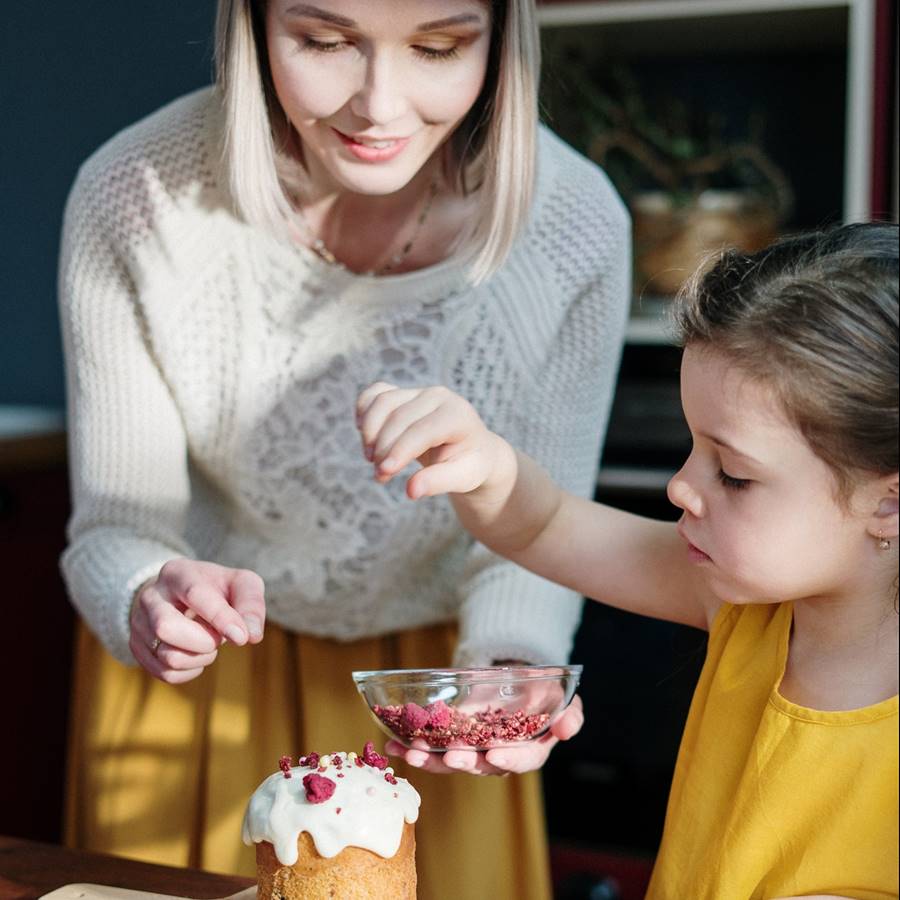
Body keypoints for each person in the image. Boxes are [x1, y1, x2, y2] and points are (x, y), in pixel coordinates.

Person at [58, 0, 630, 894]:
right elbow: (114, 528)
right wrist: (144, 594)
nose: (380, 105)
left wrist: (510, 671)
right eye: (324, 42)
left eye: (439, 47)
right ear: (248, 25)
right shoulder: (133, 194)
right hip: (201, 688)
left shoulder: (573, 224)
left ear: (502, 39)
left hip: (438, 698)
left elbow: (539, 529)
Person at [357, 222, 899, 897]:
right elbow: (548, 525)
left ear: (890, 502)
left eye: (731, 472)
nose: (680, 485)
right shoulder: (741, 606)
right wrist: (485, 467)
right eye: (694, 448)